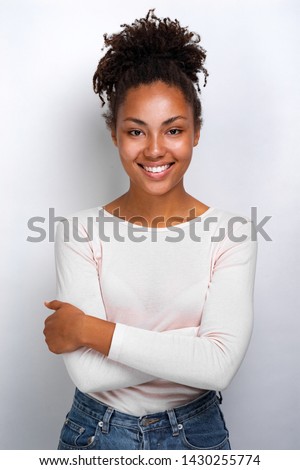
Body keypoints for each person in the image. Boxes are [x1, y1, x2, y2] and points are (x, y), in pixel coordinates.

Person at [43, 9, 258, 450]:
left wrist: (91, 332)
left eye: (173, 129)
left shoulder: (231, 233)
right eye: (136, 131)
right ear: (114, 135)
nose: (156, 149)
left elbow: (218, 368)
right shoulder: (78, 231)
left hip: (196, 435)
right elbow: (89, 374)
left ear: (195, 131)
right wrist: (195, 346)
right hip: (95, 435)